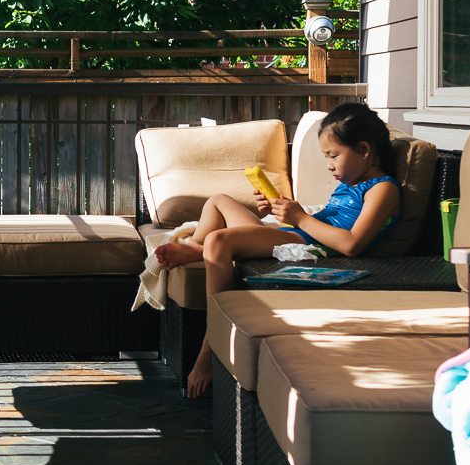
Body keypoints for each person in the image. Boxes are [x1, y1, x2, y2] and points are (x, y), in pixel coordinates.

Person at [155, 103, 401, 397]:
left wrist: (299, 218)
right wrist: (281, 208)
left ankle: (211, 346)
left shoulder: (383, 189)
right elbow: (321, 219)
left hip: (308, 248)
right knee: (219, 200)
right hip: (294, 234)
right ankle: (198, 249)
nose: (329, 165)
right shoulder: (352, 183)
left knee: (220, 240)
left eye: (333, 155)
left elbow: (351, 244)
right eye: (326, 157)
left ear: (363, 150)